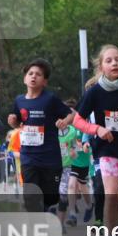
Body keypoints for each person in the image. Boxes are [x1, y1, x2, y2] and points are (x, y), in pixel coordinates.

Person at [72, 44, 118, 236]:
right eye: (109, 60)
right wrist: (97, 129)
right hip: (107, 150)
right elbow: (77, 120)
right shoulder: (95, 92)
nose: (114, 63)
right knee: (110, 195)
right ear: (101, 66)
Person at [8, 59, 75, 213]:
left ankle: (46, 212)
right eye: (30, 73)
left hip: (50, 158)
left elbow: (71, 114)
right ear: (25, 79)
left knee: (49, 198)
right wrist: (12, 122)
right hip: (28, 157)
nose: (33, 76)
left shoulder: (50, 99)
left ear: (44, 81)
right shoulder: (19, 100)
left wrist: (65, 121)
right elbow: (17, 123)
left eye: (38, 74)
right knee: (31, 197)